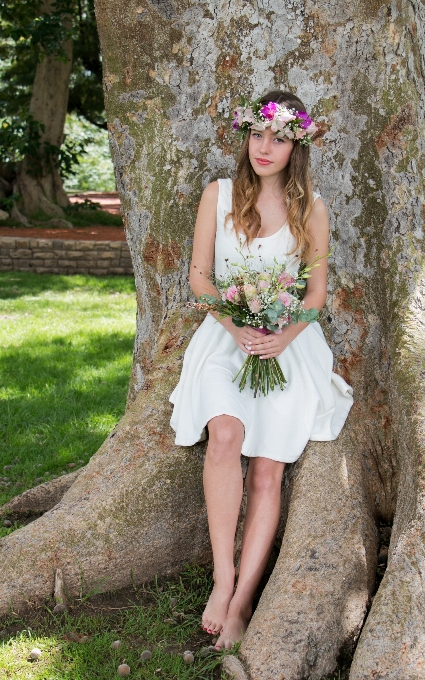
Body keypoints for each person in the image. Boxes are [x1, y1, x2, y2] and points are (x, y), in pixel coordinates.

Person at [169, 90, 353, 649]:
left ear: (296, 144)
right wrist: (236, 325)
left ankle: (245, 598)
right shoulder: (219, 196)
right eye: (256, 135)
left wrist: (284, 334)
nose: (264, 147)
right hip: (226, 339)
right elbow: (201, 277)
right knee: (225, 434)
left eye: (277, 137)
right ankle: (222, 581)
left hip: (288, 346)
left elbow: (316, 296)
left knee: (269, 467)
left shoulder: (310, 209)